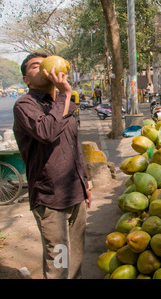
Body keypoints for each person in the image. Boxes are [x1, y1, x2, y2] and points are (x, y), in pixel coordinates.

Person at [13, 53, 91, 279]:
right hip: (50, 197)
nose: (43, 69)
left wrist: (84, 182)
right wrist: (64, 94)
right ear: (26, 79)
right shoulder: (25, 105)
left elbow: (72, 147)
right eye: (36, 67)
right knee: (59, 263)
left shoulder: (63, 103)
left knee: (75, 259)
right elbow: (47, 132)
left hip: (75, 193)